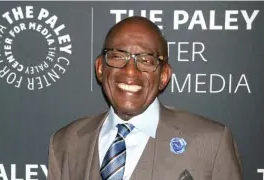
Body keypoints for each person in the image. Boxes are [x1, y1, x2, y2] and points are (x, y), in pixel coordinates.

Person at [47, 16, 243, 180]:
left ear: (164, 76)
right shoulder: (65, 143)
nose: (130, 71)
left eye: (146, 60)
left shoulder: (211, 144)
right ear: (100, 68)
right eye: (117, 56)